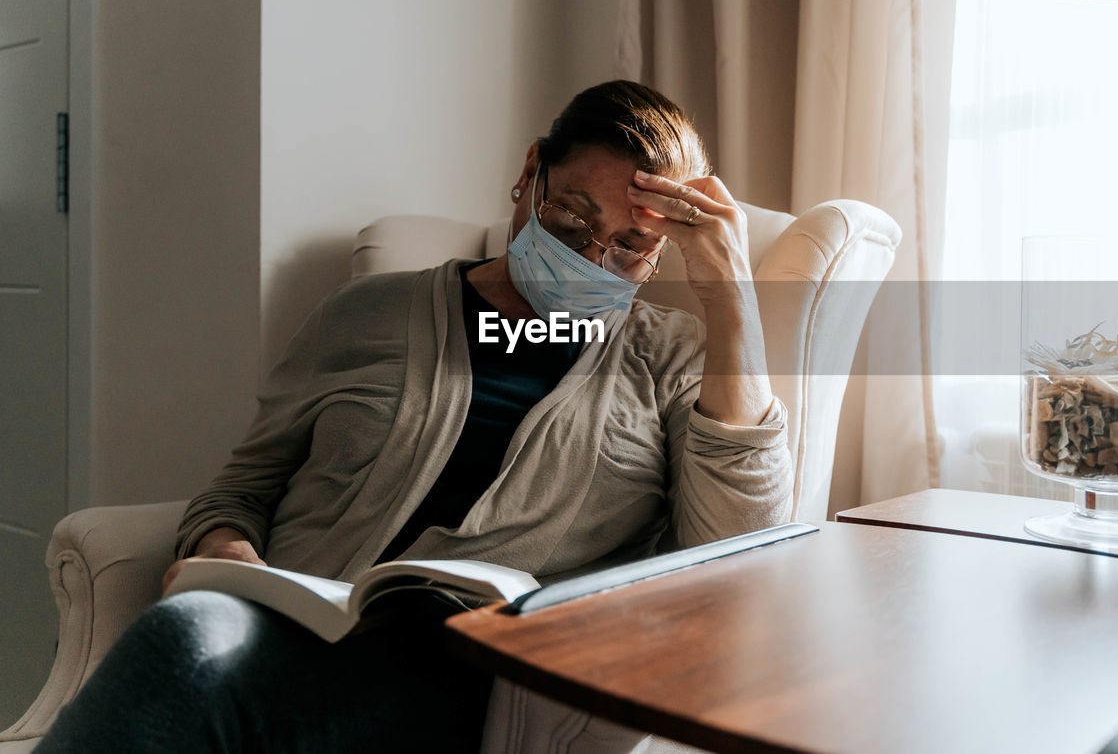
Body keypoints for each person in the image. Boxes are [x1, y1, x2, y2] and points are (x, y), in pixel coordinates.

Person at [35, 80, 792, 753]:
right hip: (290, 625)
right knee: (185, 633)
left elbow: (740, 557)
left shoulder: (675, 358)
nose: (595, 259)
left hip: (479, 677)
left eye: (631, 246)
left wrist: (732, 300)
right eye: (569, 221)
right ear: (529, 175)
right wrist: (223, 546)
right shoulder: (365, 312)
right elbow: (240, 488)